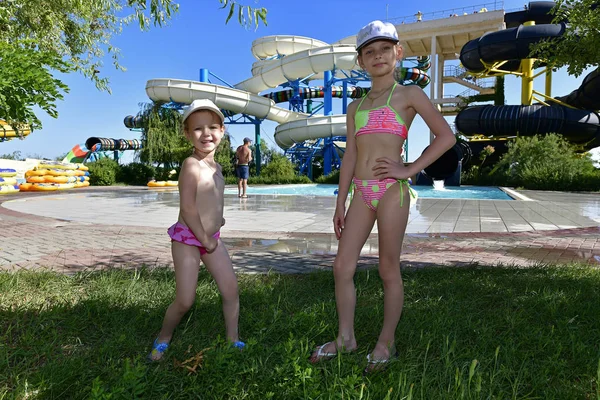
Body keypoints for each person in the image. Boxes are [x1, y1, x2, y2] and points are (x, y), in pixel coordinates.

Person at [309, 20, 456, 373]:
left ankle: (385, 342)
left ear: (398, 53)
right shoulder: (355, 106)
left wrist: (409, 169)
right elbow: (351, 156)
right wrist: (340, 200)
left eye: (384, 49)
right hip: (362, 192)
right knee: (342, 266)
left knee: (388, 268)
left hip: (392, 191)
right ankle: (346, 338)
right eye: (369, 52)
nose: (378, 56)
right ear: (360, 61)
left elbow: (445, 137)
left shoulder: (409, 95)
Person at [148, 99, 244, 361]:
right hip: (189, 238)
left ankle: (232, 339)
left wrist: (217, 223)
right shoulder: (191, 165)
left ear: (222, 131)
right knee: (185, 300)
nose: (206, 134)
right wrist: (204, 238)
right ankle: (163, 337)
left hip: (211, 238)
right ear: (187, 134)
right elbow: (188, 208)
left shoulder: (219, 168)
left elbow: (212, 202)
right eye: (198, 129)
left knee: (230, 290)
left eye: (212, 127)